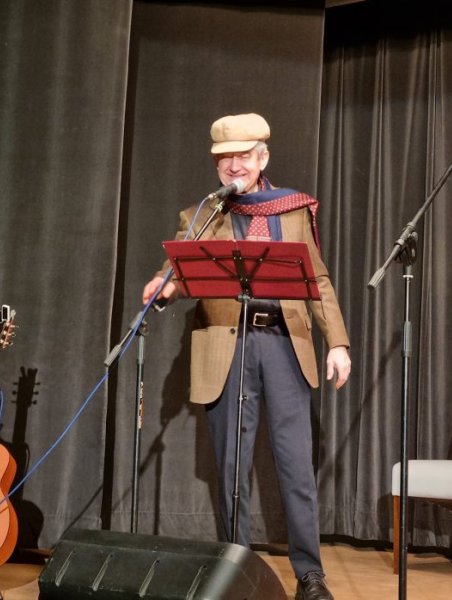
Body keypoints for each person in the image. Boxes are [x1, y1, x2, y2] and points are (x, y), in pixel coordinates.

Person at [142, 113, 351, 600]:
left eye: (242, 156)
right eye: (224, 158)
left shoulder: (292, 209)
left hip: (284, 344)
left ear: (263, 158)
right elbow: (178, 267)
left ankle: (310, 576)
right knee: (231, 469)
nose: (233, 166)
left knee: (296, 468)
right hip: (227, 346)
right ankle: (235, 569)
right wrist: (163, 285)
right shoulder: (203, 213)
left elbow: (318, 280)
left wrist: (338, 342)